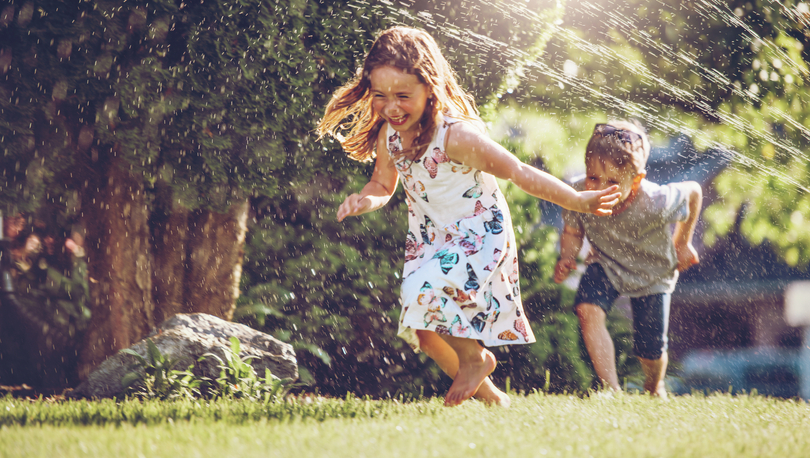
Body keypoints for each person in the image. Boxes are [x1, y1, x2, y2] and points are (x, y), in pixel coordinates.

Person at [317, 26, 621, 407]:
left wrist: (577, 199)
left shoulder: (456, 136)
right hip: (432, 239)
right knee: (424, 332)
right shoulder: (390, 137)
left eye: (403, 96)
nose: (391, 107)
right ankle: (494, 400)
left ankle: (476, 359)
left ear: (430, 87)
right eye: (380, 96)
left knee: (420, 294)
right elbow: (382, 184)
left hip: (478, 234)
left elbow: (518, 172)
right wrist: (365, 200)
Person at [553, 121, 703, 398]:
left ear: (636, 180)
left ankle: (653, 386)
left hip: (652, 274)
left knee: (649, 349)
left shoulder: (657, 200)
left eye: (612, 182)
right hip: (606, 264)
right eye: (593, 177)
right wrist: (567, 255)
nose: (599, 188)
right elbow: (573, 230)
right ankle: (610, 390)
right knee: (587, 310)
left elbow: (694, 191)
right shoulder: (579, 195)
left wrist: (682, 243)